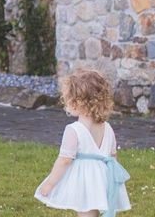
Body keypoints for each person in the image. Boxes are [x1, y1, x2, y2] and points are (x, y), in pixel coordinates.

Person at [34, 68, 131, 217]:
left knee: (86, 212)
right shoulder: (108, 128)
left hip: (86, 179)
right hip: (104, 177)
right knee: (96, 211)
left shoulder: (74, 130)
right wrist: (111, 180)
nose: (65, 104)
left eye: (67, 100)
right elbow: (113, 157)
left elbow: (65, 160)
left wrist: (49, 183)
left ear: (78, 102)